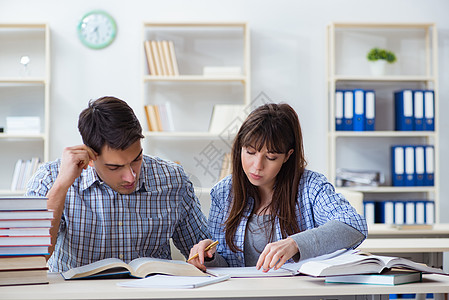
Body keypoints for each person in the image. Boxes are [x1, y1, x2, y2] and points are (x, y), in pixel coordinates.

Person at [26, 96, 210, 272]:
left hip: (150, 294)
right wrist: (61, 186)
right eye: (115, 167)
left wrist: (205, 251)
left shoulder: (173, 180)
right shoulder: (50, 179)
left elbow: (206, 253)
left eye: (137, 159)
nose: (131, 177)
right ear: (91, 158)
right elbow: (33, 258)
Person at [188, 103, 367, 272]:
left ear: (288, 156)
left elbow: (354, 225)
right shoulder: (224, 193)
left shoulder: (311, 187)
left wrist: (295, 244)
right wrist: (209, 258)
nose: (257, 165)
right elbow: (227, 267)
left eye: (271, 157)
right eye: (250, 152)